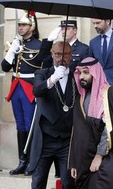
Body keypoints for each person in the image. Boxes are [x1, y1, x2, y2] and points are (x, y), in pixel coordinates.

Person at [69, 57, 113, 189]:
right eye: (79, 73)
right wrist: (74, 162)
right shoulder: (80, 98)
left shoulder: (110, 93)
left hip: (107, 156)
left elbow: (112, 127)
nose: (81, 77)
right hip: (85, 159)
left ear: (95, 73)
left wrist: (99, 156)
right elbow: (77, 132)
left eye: (86, 72)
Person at [1, 11, 50, 176]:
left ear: (32, 26)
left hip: (29, 88)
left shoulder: (38, 45)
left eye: (24, 25)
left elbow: (43, 67)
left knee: (30, 125)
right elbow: (4, 67)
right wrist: (12, 51)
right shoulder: (15, 44)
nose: (20, 28)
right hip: (16, 87)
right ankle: (22, 160)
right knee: (20, 124)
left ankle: (32, 161)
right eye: (20, 25)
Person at [29, 41, 76, 189]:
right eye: (57, 54)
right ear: (51, 54)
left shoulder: (76, 74)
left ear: (71, 55)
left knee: (68, 182)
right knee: (38, 182)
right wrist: (53, 79)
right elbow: (37, 90)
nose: (61, 58)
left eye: (66, 54)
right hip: (46, 139)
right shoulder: (42, 74)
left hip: (67, 140)